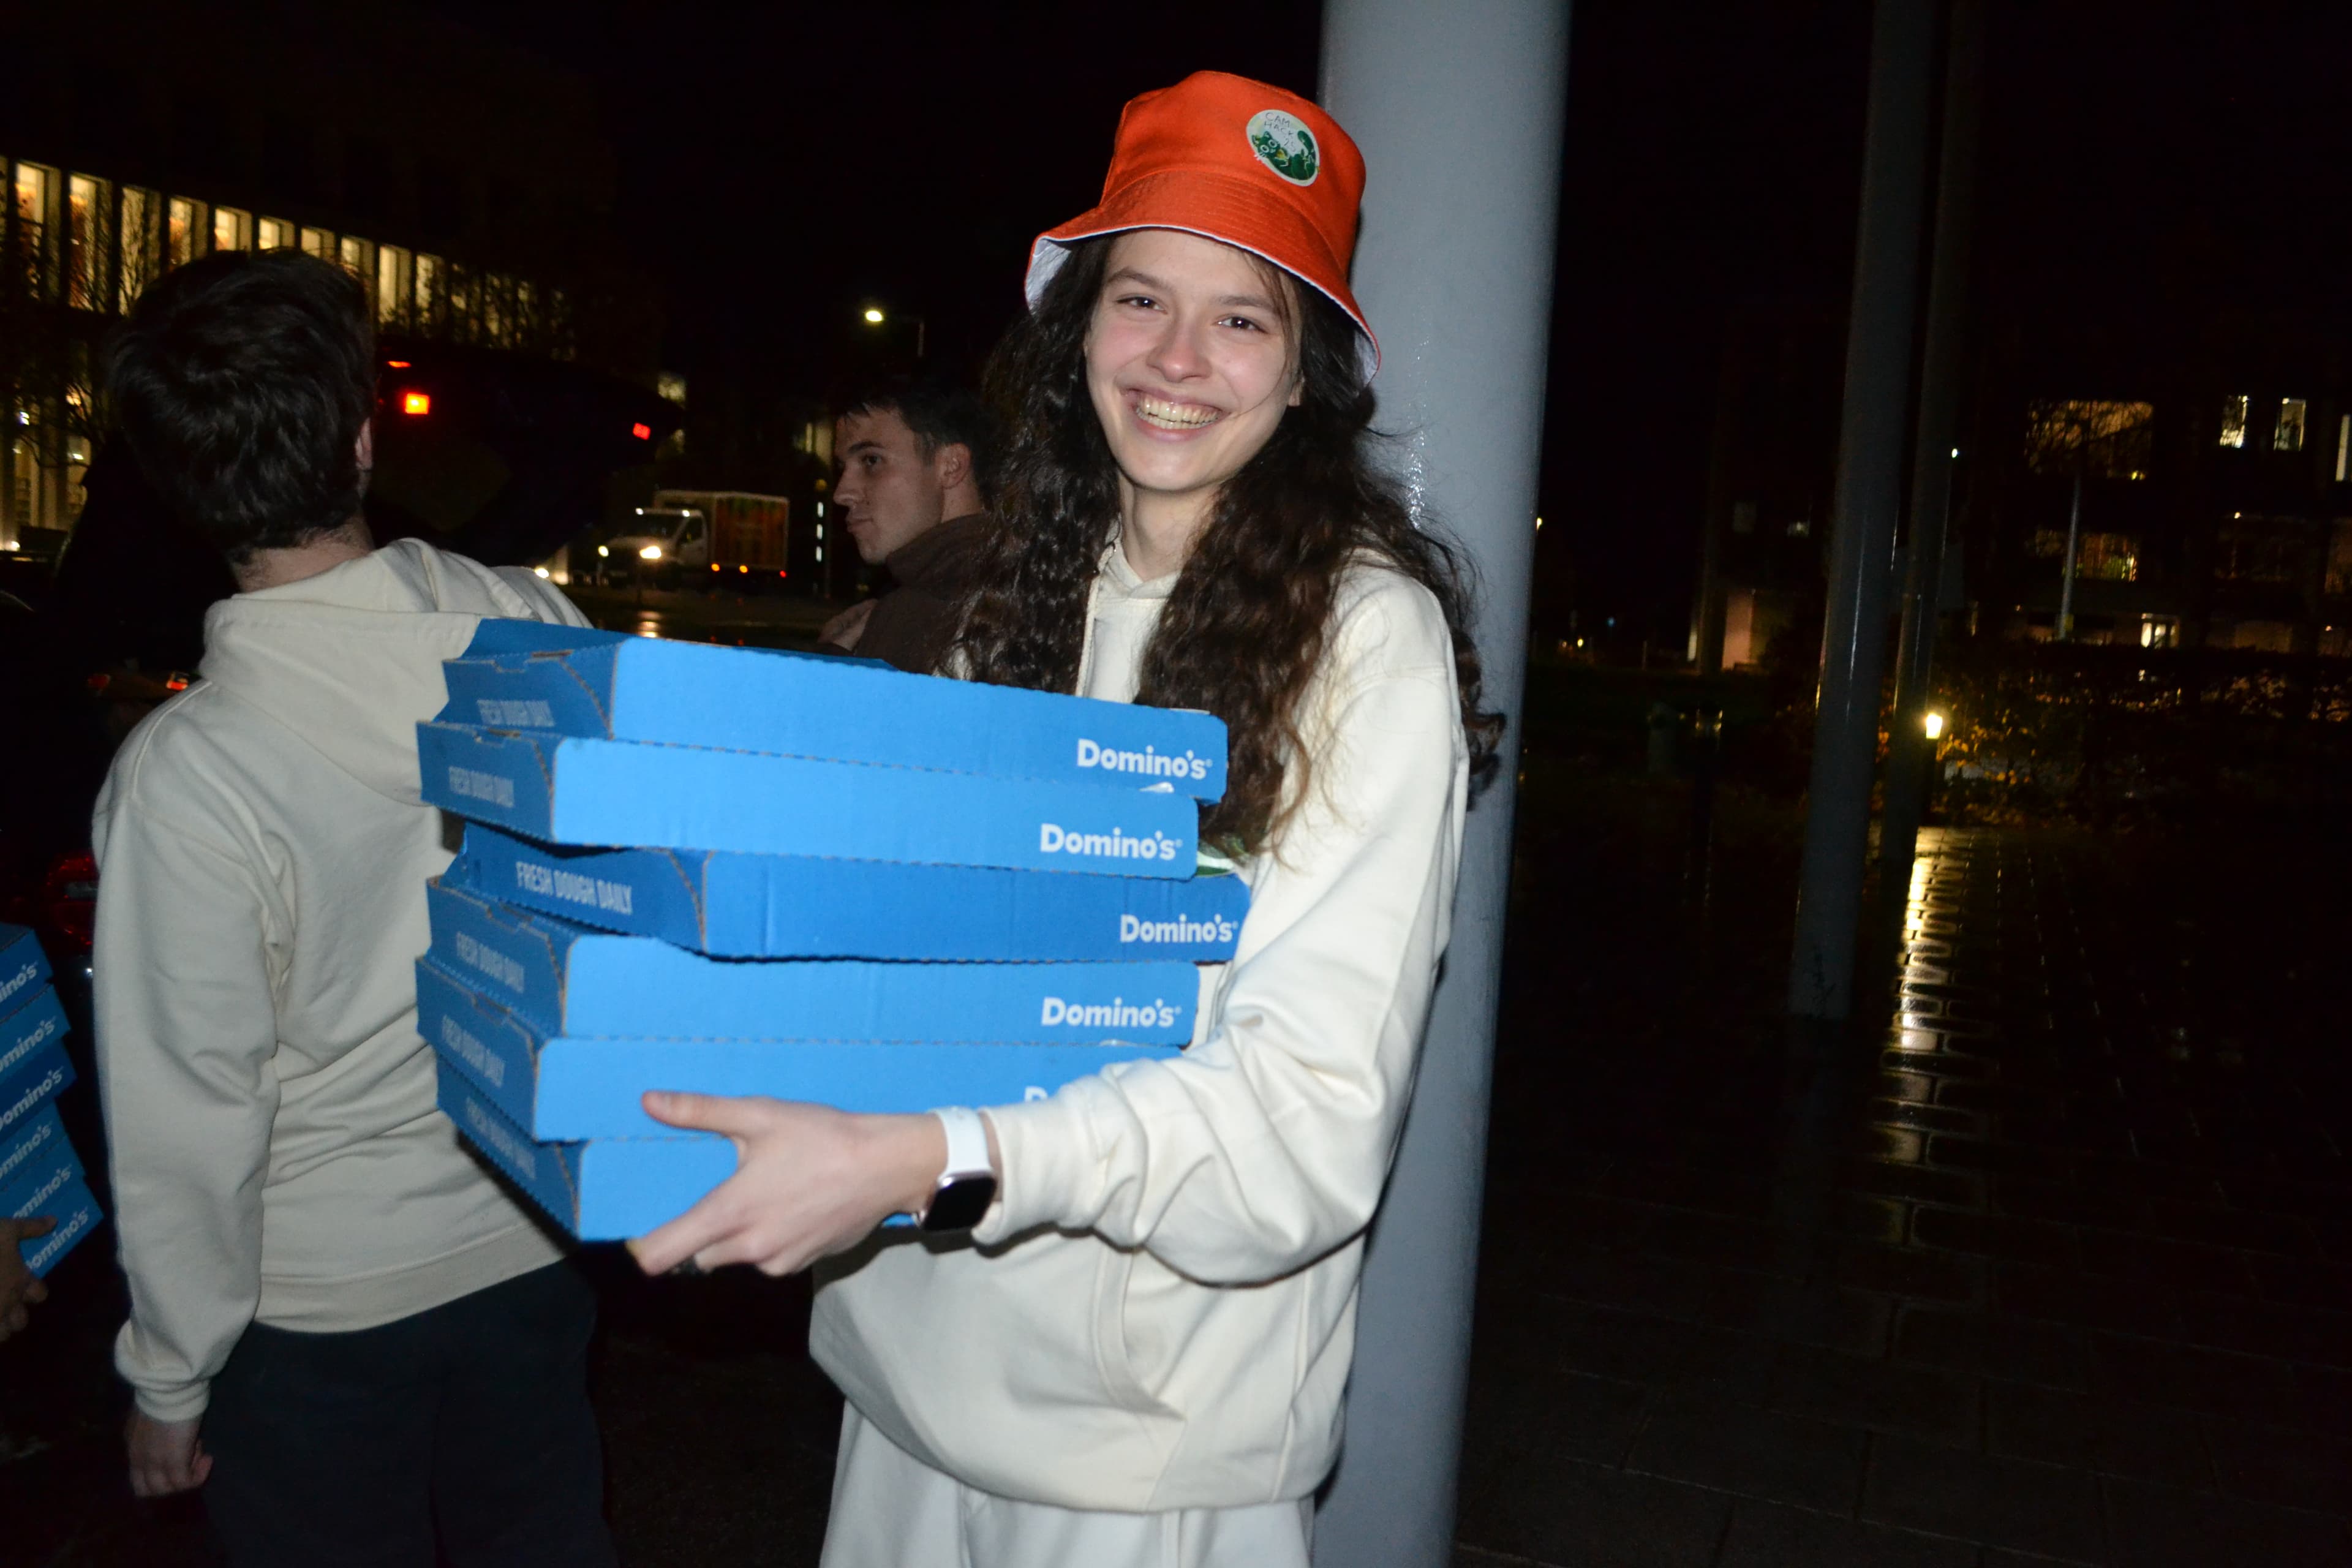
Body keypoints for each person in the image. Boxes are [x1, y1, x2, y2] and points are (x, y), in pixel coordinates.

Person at [635, 71, 1497, 1567]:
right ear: (1074, 331)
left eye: (1242, 318)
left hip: (1139, 1459)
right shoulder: (1020, 596)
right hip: (904, 1385)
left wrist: (932, 1152)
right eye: (1139, 300)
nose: (1176, 360)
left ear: (1307, 376)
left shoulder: (1365, 641)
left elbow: (1299, 1133)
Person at [91, 250, 616, 1566]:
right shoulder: (532, 628)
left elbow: (188, 1101)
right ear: (366, 441)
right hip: (530, 1231)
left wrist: (170, 1372)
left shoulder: (191, 771)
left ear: (177, 486)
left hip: (319, 1306)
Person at [814, 375, 997, 673]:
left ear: (951, 466)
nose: (842, 494)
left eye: (871, 461)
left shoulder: (922, 614)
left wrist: (830, 666)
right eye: (842, 468)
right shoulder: (1026, 585)